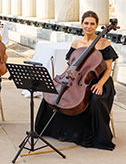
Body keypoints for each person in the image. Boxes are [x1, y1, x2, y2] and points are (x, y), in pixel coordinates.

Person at [35, 10, 118, 150]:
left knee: (93, 100)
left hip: (99, 80)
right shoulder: (76, 44)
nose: (89, 26)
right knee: (53, 93)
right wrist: (61, 80)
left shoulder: (104, 43)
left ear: (97, 25)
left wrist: (100, 84)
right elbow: (71, 66)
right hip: (78, 80)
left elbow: (108, 69)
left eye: (92, 23)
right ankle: (54, 130)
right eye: (86, 23)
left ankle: (93, 136)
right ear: (81, 24)